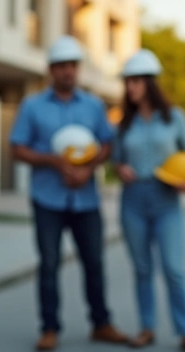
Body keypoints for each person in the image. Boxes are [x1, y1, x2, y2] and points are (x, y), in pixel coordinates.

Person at [11, 36, 129, 351]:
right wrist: (52, 161)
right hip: (47, 198)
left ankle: (101, 324)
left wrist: (88, 170)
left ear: (77, 69)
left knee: (94, 263)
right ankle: (49, 328)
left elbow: (106, 144)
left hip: (86, 199)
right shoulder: (32, 105)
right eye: (61, 66)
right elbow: (17, 148)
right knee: (49, 264)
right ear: (51, 69)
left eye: (72, 66)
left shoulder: (93, 105)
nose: (67, 71)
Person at [113, 49, 185, 352]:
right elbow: (116, 159)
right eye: (128, 82)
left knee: (174, 269)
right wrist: (120, 168)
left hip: (166, 199)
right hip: (133, 200)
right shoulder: (124, 123)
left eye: (136, 81)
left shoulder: (174, 117)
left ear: (151, 83)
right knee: (141, 269)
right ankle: (146, 328)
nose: (130, 87)